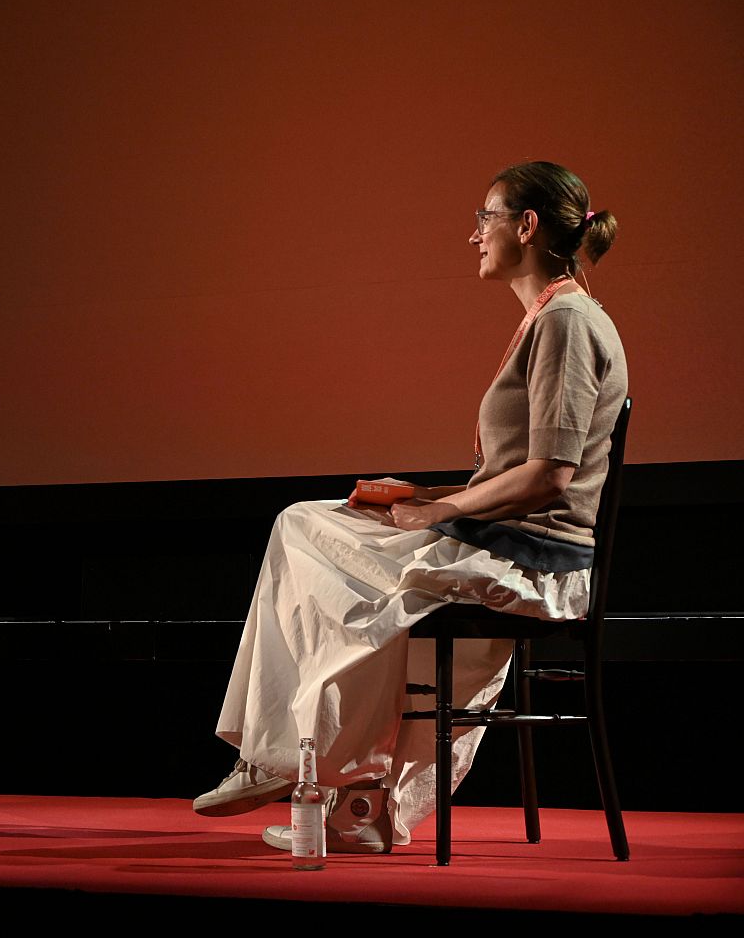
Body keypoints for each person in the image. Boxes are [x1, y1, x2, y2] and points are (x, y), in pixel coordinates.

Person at [194, 162, 627, 854]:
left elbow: (549, 476)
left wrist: (435, 513)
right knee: (314, 526)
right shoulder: (551, 318)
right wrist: (423, 496)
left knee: (315, 545)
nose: (474, 235)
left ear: (527, 226)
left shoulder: (567, 323)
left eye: (486, 217)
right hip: (500, 539)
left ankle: (300, 765)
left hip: (531, 562)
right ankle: (333, 785)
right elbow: (517, 471)